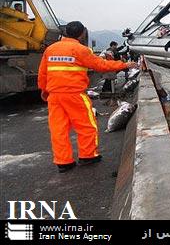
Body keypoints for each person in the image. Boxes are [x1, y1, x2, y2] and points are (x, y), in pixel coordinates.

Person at [38, 21, 137, 173]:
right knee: (86, 125)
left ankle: (63, 162)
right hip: (74, 95)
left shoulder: (51, 49)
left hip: (55, 96)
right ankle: (87, 156)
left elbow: (43, 73)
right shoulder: (80, 49)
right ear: (82, 33)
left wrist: (45, 91)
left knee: (58, 129)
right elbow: (101, 65)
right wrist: (125, 65)